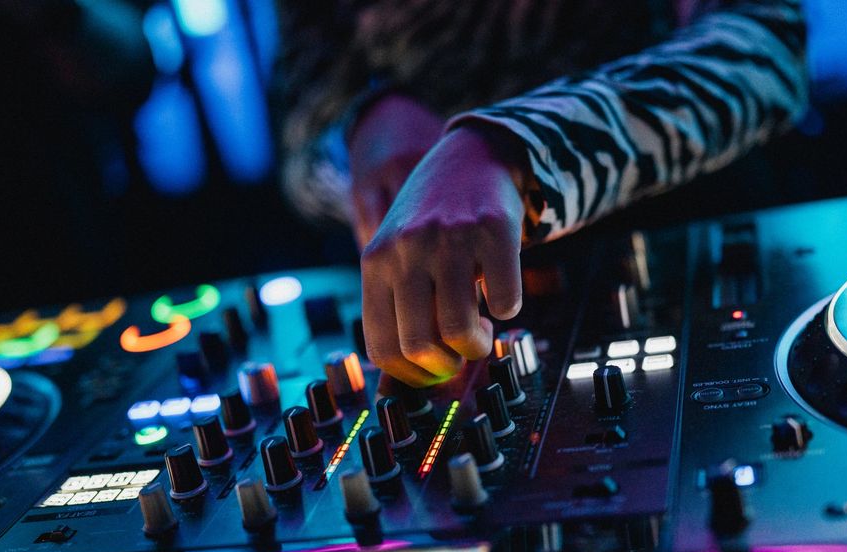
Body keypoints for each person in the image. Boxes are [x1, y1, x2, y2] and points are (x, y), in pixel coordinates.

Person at [274, 0, 808, 386]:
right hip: (426, 283)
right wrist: (361, 127)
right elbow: (298, 133)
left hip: (692, 236)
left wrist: (514, 150)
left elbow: (763, 52)